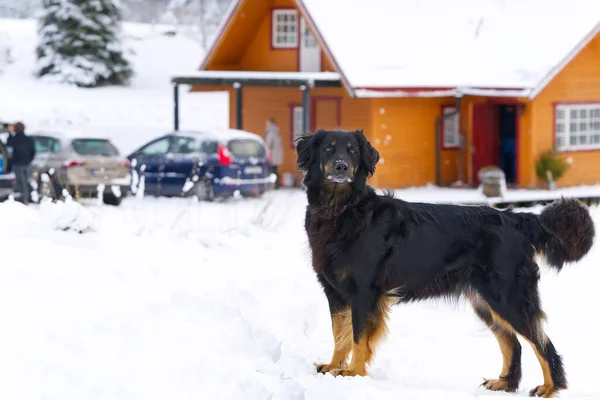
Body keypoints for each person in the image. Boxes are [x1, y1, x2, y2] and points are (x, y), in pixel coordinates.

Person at [6, 122, 35, 204]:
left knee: (20, 181)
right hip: (27, 163)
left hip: (17, 164)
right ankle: (28, 197)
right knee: (26, 180)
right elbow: (33, 152)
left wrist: (10, 133)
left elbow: (8, 145)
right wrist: (29, 160)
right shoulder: (28, 139)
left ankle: (23, 198)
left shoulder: (15, 138)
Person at [264, 118, 283, 188]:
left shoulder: (271, 132)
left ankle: (275, 185)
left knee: (272, 171)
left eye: (267, 123)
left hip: (272, 156)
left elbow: (268, 145)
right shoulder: (276, 132)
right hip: (277, 156)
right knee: (275, 170)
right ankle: (277, 184)